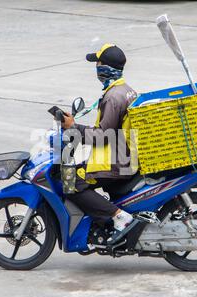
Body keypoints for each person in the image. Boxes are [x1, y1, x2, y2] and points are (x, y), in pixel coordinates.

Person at [61, 43, 139, 244]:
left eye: (99, 62)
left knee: (70, 181)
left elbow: (102, 135)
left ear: (106, 68)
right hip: (122, 153)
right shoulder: (125, 90)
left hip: (117, 160)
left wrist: (73, 127)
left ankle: (118, 216)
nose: (96, 66)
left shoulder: (113, 97)